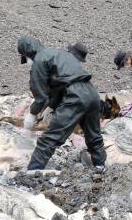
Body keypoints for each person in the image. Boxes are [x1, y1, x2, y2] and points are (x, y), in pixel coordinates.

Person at [18, 36, 106, 172]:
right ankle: (101, 166)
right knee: (93, 134)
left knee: (50, 136)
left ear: (26, 53)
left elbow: (40, 94)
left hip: (75, 97)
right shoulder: (62, 54)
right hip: (92, 93)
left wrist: (32, 114)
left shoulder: (39, 60)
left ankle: (33, 170)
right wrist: (51, 107)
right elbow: (66, 82)